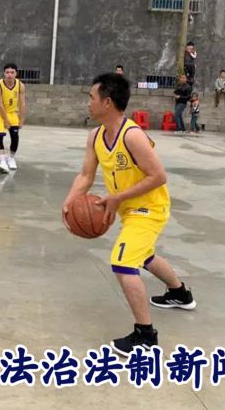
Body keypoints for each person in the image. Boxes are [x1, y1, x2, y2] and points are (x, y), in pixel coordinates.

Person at [62, 73, 195, 355]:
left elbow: (158, 176)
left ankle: (145, 336)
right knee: (143, 255)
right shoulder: (95, 136)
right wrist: (70, 202)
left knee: (123, 262)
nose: (87, 103)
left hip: (150, 208)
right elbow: (86, 175)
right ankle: (180, 293)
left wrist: (117, 198)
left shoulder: (132, 135)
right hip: (130, 210)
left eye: (91, 97)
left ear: (107, 102)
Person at [0, 63, 26, 173]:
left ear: (16, 73)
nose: (9, 75)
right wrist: (5, 121)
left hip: (12, 112)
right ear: (4, 73)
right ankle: (2, 162)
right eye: (7, 72)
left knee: (15, 136)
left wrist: (21, 120)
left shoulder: (20, 85)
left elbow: (22, 104)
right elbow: (0, 105)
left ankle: (11, 158)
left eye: (12, 72)